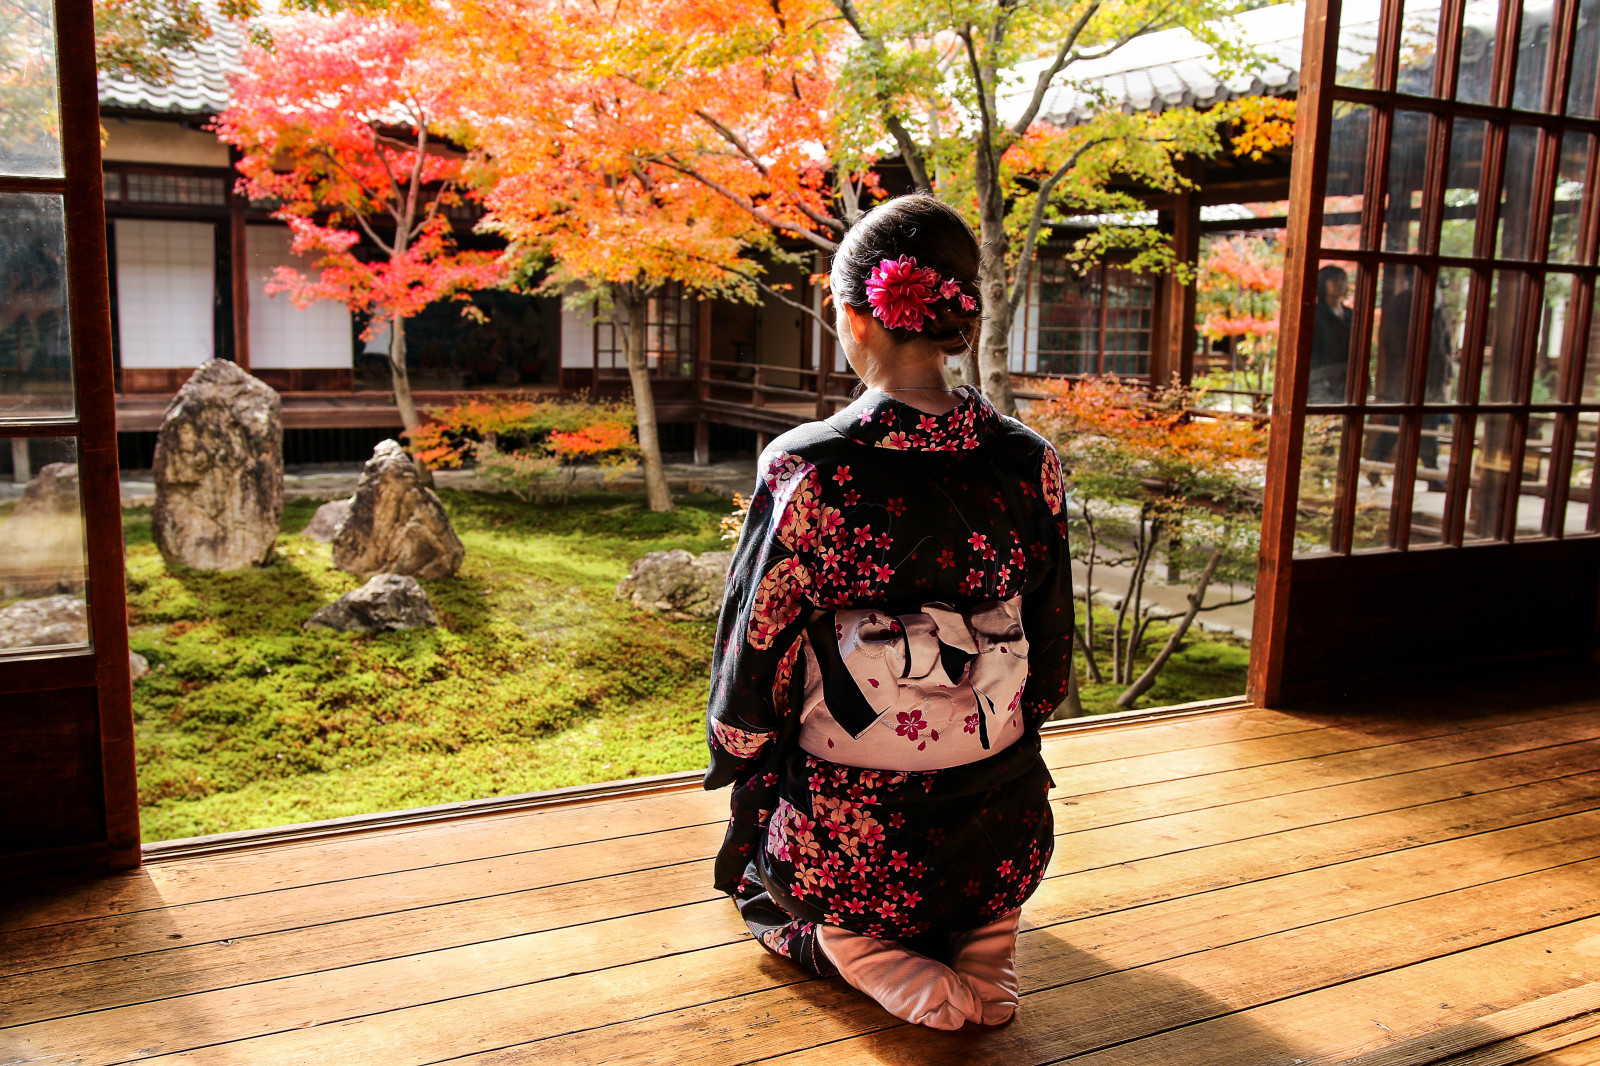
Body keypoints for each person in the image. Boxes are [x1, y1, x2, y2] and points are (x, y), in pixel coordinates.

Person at [704, 193, 1074, 1030]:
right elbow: (1047, 658)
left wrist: (740, 743)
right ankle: (986, 935)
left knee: (758, 877)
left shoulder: (808, 469)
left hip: (855, 845)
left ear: (854, 316)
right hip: (1001, 828)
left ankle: (854, 945)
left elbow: (755, 644)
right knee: (979, 833)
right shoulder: (1029, 462)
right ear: (957, 316)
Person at [1308, 265, 1352, 404]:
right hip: (1321, 378)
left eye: (1342, 279)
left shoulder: (1351, 314)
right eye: (1334, 280)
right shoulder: (1314, 314)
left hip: (1347, 378)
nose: (1340, 284)